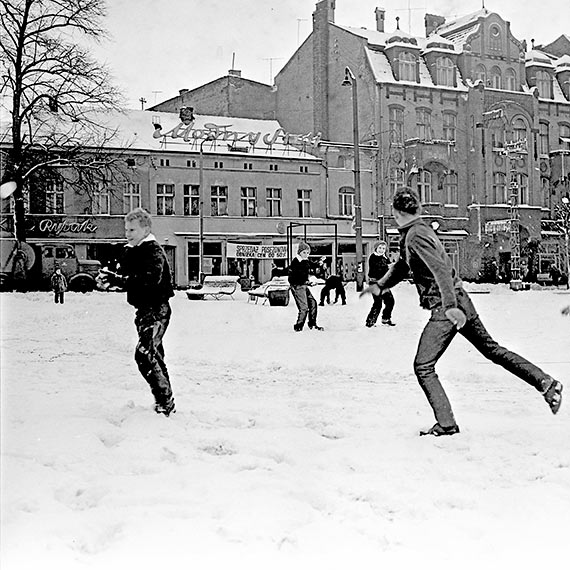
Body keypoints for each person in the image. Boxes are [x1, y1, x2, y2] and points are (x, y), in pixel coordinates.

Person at [374, 187, 563, 436]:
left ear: (396, 212)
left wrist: (450, 307)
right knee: (493, 350)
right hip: (460, 301)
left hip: (447, 307)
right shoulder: (416, 232)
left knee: (423, 366)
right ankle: (545, 383)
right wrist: (381, 285)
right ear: (417, 209)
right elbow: (402, 265)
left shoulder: (416, 235)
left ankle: (446, 424)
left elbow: (441, 270)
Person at [99, 208, 176, 416]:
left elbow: (148, 281)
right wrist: (109, 276)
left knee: (145, 354)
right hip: (144, 311)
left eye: (132, 229)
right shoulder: (133, 250)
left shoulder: (153, 252)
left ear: (146, 229)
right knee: (153, 355)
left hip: (156, 310)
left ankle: (165, 402)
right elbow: (125, 273)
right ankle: (165, 402)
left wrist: (118, 280)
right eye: (126, 229)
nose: (128, 233)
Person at [288, 241, 323, 331]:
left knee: (313, 303)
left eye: (308, 253)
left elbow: (311, 265)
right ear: (299, 252)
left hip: (303, 285)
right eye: (304, 252)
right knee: (304, 307)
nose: (306, 254)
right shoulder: (296, 262)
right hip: (298, 287)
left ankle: (312, 324)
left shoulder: (305, 261)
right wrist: (306, 282)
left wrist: (319, 263)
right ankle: (298, 326)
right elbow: (294, 276)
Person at [365, 240, 396, 327]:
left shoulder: (385, 258)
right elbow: (378, 269)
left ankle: (386, 318)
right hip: (375, 283)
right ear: (376, 248)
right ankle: (370, 321)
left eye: (383, 248)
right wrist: (387, 267)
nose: (381, 250)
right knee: (378, 303)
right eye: (380, 248)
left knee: (390, 301)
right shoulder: (373, 257)